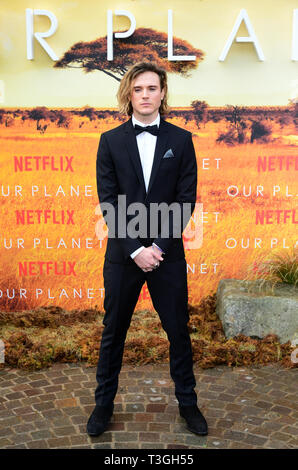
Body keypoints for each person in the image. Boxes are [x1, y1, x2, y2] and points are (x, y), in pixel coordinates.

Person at [87, 61, 208, 437]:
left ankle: (188, 404)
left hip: (167, 254)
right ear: (129, 93)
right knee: (113, 332)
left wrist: (156, 246)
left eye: (152, 88)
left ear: (162, 93)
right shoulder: (110, 141)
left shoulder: (181, 140)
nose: (145, 95)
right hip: (123, 256)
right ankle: (103, 406)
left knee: (179, 331)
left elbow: (185, 201)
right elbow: (109, 202)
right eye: (138, 89)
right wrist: (137, 248)